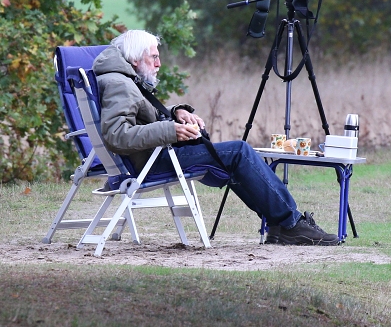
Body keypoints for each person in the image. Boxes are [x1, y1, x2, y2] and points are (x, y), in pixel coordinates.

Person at [93, 29, 341, 246]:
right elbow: (117, 135)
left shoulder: (124, 79)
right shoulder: (120, 84)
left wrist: (176, 115)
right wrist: (172, 131)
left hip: (155, 154)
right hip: (153, 162)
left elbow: (142, 118)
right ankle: (291, 223)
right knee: (238, 152)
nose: (159, 63)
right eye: (154, 56)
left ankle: (280, 225)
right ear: (135, 59)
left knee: (234, 158)